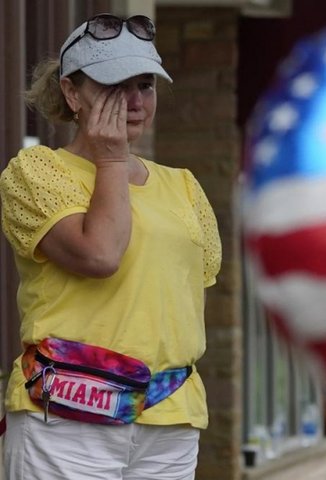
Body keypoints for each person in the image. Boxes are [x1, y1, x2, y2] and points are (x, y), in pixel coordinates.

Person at [0, 13, 221, 480]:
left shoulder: (184, 185)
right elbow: (99, 255)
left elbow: (183, 305)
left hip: (169, 418)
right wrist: (113, 159)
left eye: (145, 85)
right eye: (115, 85)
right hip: (67, 415)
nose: (134, 101)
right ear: (71, 93)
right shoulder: (36, 170)